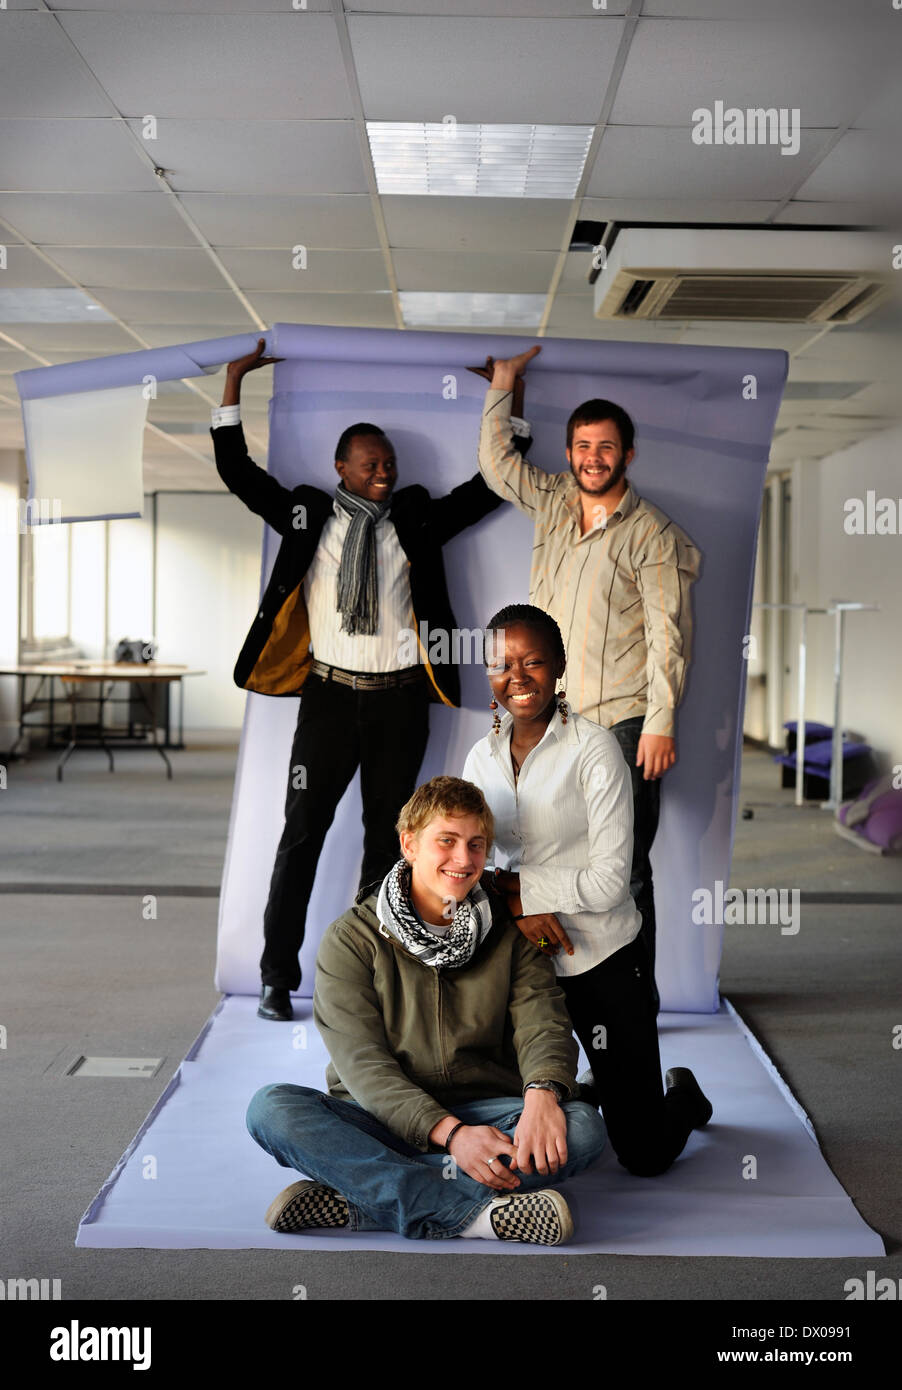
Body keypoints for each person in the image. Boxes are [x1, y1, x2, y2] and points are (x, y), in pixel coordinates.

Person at [212, 339, 505, 1021]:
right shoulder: (307, 515)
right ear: (341, 466)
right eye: (371, 462)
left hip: (402, 703)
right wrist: (232, 383)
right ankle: (276, 977)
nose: (384, 470)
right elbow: (237, 471)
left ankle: (368, 978)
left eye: (391, 463)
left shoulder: (417, 516)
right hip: (328, 700)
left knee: (389, 841)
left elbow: (491, 486)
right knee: (302, 833)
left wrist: (503, 397)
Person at [246, 776, 606, 1244]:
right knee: (270, 1109)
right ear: (409, 844)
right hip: (380, 1117)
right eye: (447, 841)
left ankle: (363, 1193)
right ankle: (478, 1218)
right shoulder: (351, 939)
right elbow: (363, 1066)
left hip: (490, 1112)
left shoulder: (511, 932)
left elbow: (544, 1021)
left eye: (476, 845)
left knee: (583, 1130)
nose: (464, 859)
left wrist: (541, 1092)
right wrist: (452, 1136)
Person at [476, 346, 702, 1007]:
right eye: (581, 445)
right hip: (554, 724)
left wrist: (660, 723)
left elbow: (670, 635)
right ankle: (564, 997)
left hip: (624, 722)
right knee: (550, 861)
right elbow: (495, 466)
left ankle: (634, 1003)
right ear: (570, 450)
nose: (592, 458)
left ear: (628, 454)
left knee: (622, 872)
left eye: (606, 447)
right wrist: (504, 384)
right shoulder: (550, 500)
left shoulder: (653, 535)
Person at [461, 604, 712, 1178]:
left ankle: (682, 1095)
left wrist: (520, 890)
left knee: (644, 1154)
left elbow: (608, 882)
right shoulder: (481, 758)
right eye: (502, 663)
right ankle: (589, 1085)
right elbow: (468, 864)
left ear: (559, 668)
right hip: (522, 958)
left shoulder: (596, 751)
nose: (517, 677)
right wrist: (517, 910)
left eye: (534, 662)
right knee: (505, 1113)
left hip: (600, 956)